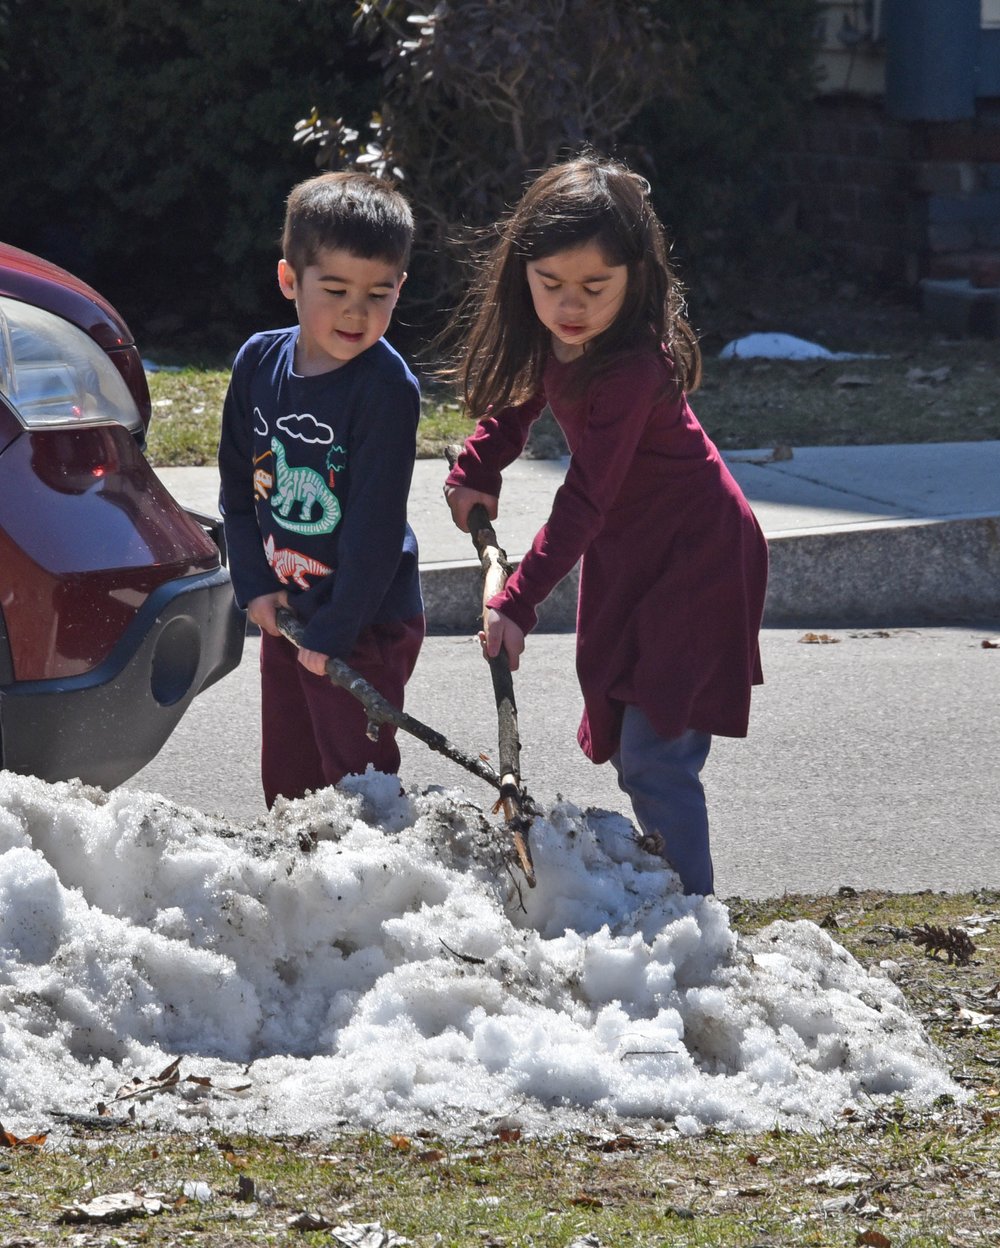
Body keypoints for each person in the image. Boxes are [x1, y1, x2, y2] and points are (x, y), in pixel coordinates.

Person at [442, 153, 768, 895]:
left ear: (637, 278)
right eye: (550, 283)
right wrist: (479, 467)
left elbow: (584, 498)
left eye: (595, 287)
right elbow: (522, 401)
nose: (570, 306)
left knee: (658, 752)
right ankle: (665, 886)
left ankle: (692, 923)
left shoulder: (632, 369)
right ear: (522, 271)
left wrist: (518, 601)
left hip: (698, 555)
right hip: (635, 548)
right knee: (632, 732)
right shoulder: (557, 333)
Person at [219, 171, 424, 807]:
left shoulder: (387, 391)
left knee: (355, 781)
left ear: (400, 290)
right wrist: (253, 582)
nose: (356, 312)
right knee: (288, 775)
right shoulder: (258, 362)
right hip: (289, 608)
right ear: (290, 281)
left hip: (363, 618)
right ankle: (296, 888)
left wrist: (338, 629)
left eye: (378, 294)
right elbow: (235, 480)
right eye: (334, 289)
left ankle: (368, 892)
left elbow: (376, 529)